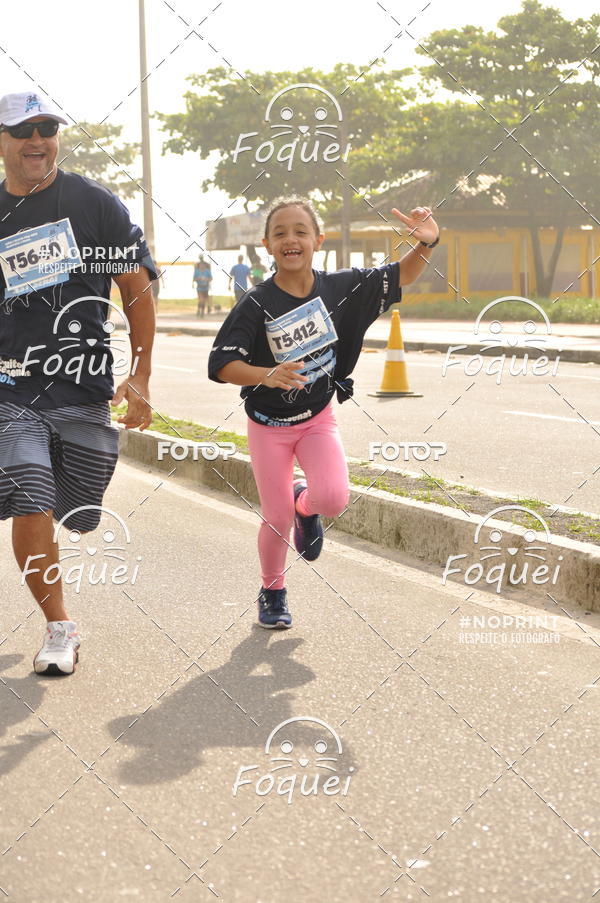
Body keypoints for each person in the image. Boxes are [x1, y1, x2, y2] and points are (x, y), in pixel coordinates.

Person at [208, 195, 439, 628]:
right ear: (266, 245)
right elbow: (221, 365)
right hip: (268, 427)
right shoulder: (255, 303)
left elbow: (401, 275)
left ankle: (306, 504)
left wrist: (427, 244)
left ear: (318, 240)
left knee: (332, 499)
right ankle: (272, 590)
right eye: (280, 233)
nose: (290, 239)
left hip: (317, 419)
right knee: (274, 519)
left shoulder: (343, 288)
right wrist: (267, 374)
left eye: (300, 231)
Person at [0, 91, 157, 675]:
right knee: (30, 494)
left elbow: (135, 286)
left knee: (79, 510)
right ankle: (59, 625)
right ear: (2, 142)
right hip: (10, 387)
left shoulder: (91, 202)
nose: (37, 140)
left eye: (46, 128)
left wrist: (139, 372)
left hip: (83, 387)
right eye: (22, 130)